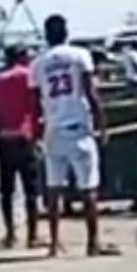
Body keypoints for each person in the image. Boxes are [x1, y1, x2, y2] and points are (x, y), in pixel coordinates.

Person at [30, 14, 114, 257]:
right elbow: (90, 93)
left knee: (53, 189)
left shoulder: (37, 64)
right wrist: (102, 124)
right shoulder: (80, 56)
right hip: (79, 129)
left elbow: (36, 105)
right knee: (89, 189)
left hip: (53, 131)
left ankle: (54, 244)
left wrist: (36, 134)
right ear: (66, 33)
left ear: (46, 36)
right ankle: (92, 242)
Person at [0, 44, 41, 248]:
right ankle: (32, 236)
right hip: (24, 138)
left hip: (4, 139)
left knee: (6, 191)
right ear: (22, 56)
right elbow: (37, 107)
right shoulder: (28, 76)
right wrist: (40, 135)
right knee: (31, 190)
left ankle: (10, 234)